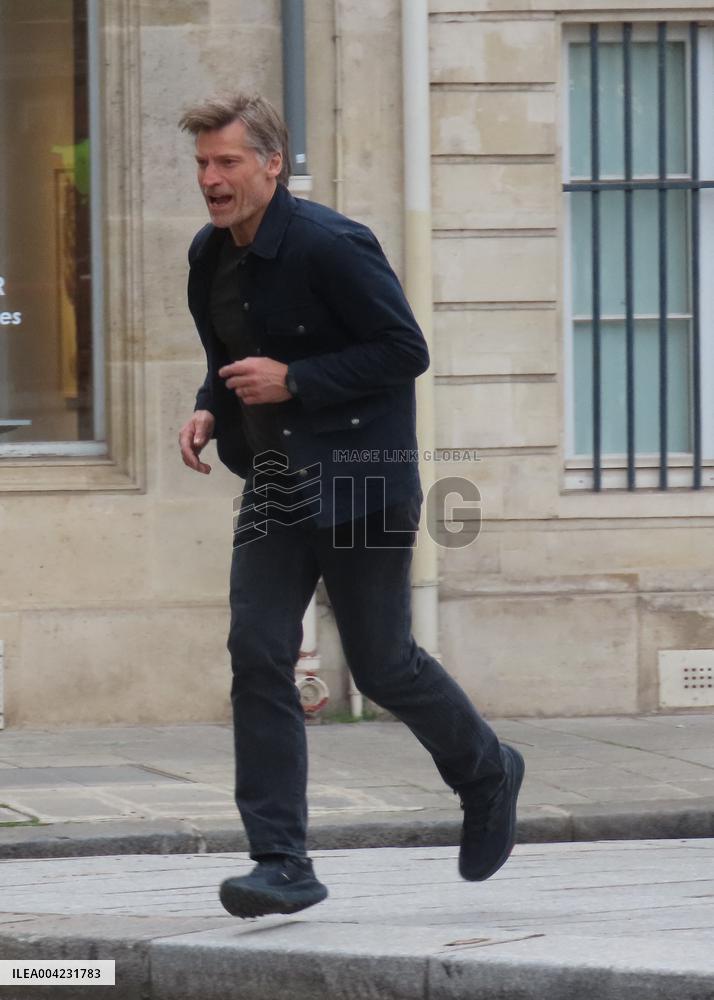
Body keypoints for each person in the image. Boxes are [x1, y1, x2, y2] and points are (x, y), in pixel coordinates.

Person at [177, 92, 524, 919]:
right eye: (201, 165)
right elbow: (227, 354)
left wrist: (296, 380)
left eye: (226, 162)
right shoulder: (209, 254)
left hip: (360, 479)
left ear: (271, 162)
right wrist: (208, 405)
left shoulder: (334, 245)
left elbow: (406, 349)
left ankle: (486, 771)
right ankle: (281, 862)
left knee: (383, 664)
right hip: (274, 482)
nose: (211, 180)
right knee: (258, 650)